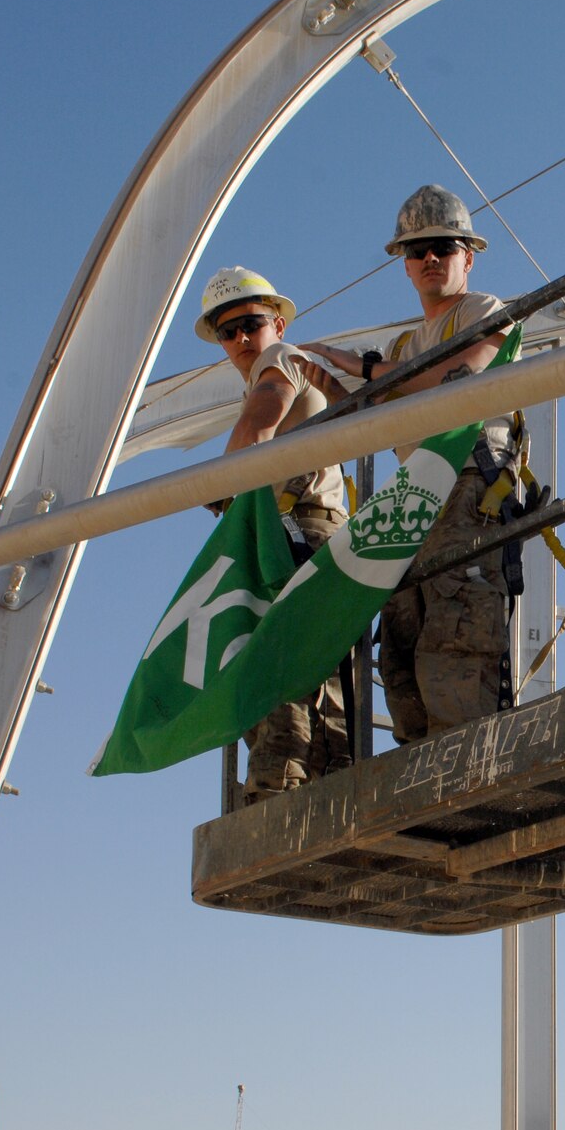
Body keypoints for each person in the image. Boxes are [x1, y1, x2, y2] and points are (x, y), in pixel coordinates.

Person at [294, 185, 522, 743]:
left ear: (468, 256)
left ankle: (467, 767)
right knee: (403, 643)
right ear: (404, 264)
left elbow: (459, 380)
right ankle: (421, 765)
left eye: (443, 247)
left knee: (458, 637)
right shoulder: (402, 345)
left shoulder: (485, 311)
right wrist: (329, 385)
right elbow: (374, 418)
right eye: (417, 250)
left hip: (470, 488)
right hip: (413, 503)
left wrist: (369, 371)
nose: (429, 259)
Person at [193, 265, 352, 798]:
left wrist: (219, 490)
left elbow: (259, 425)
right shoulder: (277, 364)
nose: (240, 338)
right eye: (226, 331)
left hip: (296, 531)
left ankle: (280, 785)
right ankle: (318, 778)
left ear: (278, 323)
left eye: (251, 323)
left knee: (274, 662)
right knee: (311, 668)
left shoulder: (278, 361)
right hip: (302, 532)